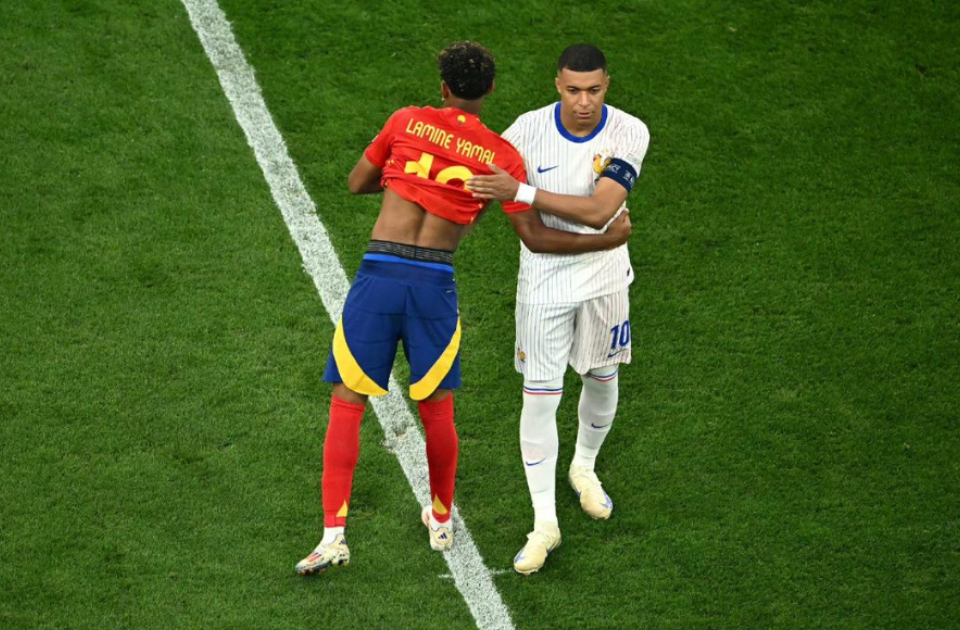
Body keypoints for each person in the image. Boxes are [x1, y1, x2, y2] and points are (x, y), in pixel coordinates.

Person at [295, 41, 632, 576]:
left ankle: (332, 536)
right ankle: (441, 519)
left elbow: (357, 183)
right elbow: (537, 239)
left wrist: (404, 176)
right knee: (437, 407)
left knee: (347, 401)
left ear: (443, 86)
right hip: (433, 284)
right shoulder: (501, 157)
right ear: (490, 90)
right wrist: (607, 240)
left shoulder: (406, 121)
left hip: (380, 276)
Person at [467, 43, 651, 576]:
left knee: (602, 377)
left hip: (605, 282)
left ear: (607, 86)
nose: (583, 102)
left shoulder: (629, 132)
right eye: (573, 90)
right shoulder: (524, 133)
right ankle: (544, 522)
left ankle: (584, 468)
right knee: (540, 397)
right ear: (557, 86)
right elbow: (533, 236)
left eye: (593, 90)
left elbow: (599, 210)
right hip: (544, 286)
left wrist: (522, 190)